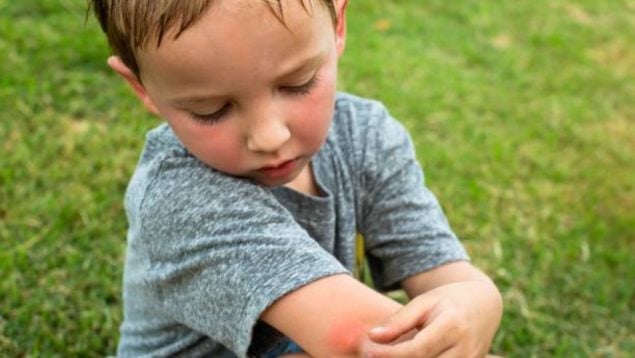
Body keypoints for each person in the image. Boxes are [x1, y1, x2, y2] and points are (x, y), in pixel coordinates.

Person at [89, 0, 503, 357]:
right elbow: (362, 344)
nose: (270, 137)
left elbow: (441, 269)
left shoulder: (366, 137)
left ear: (337, 25)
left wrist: (477, 299)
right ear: (141, 86)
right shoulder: (180, 199)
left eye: (298, 83)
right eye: (211, 109)